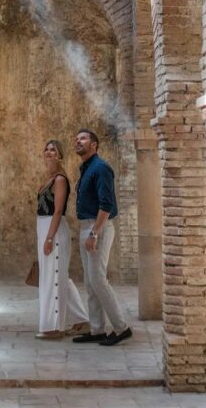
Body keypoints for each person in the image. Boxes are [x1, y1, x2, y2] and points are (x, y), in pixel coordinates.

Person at [71, 129, 132, 346]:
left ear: (94, 144)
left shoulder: (101, 168)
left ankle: (121, 327)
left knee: (98, 278)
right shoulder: (86, 168)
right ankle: (97, 329)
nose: (78, 141)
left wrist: (94, 233)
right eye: (76, 139)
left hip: (98, 227)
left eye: (83, 138)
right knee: (90, 282)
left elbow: (107, 205)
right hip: (86, 226)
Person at [35, 139, 90, 340]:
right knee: (56, 277)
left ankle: (53, 326)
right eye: (47, 149)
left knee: (54, 276)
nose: (49, 152)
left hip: (54, 230)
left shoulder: (59, 179)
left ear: (59, 155)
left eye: (53, 150)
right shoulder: (48, 178)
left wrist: (49, 237)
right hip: (44, 227)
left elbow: (58, 211)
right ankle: (82, 319)